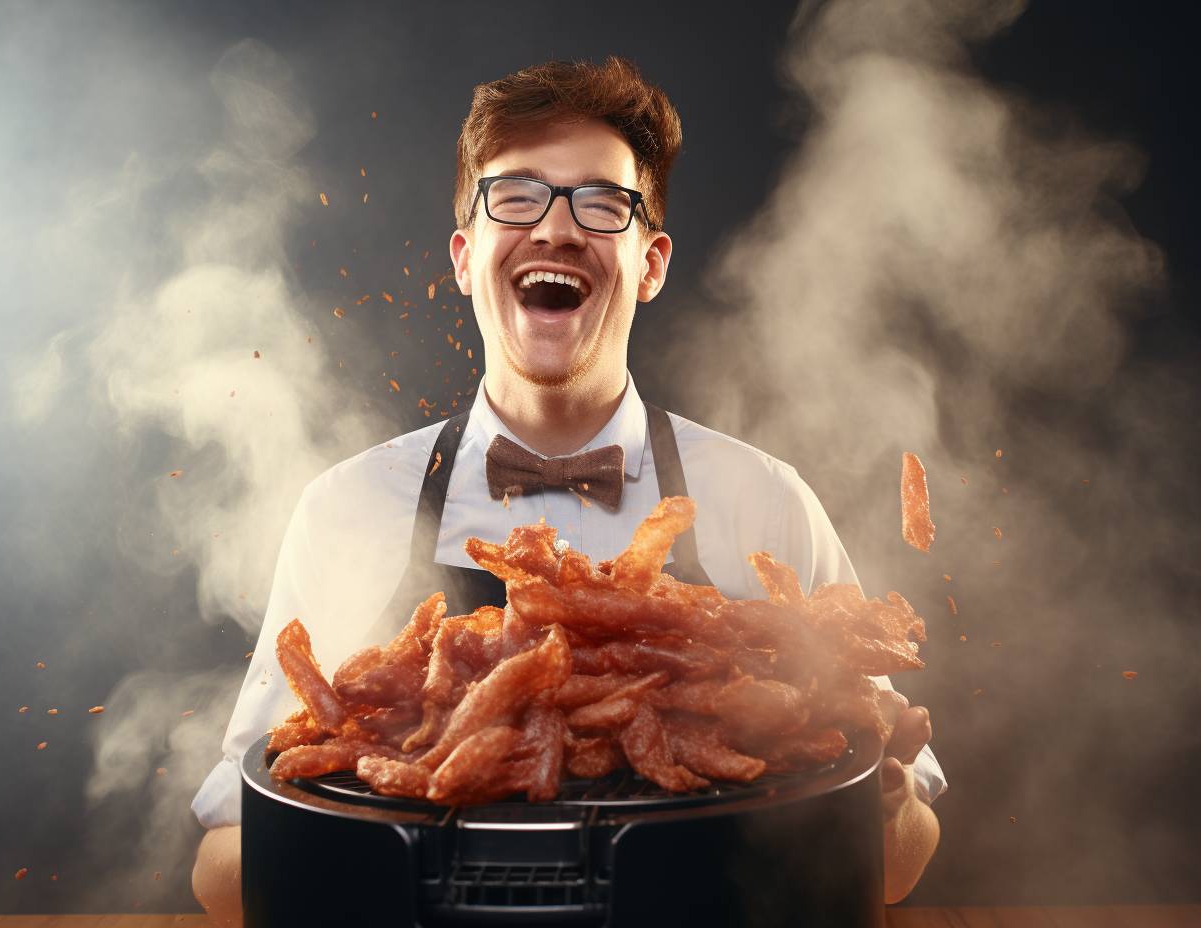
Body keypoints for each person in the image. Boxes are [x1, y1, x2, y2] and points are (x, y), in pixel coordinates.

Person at [191, 56, 945, 923]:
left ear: (651, 262)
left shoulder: (762, 499)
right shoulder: (348, 507)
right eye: (515, 195)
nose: (555, 230)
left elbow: (901, 862)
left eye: (601, 202)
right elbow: (223, 863)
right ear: (466, 257)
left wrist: (879, 804)